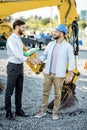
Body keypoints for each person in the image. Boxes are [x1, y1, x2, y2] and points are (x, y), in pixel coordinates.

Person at [33, 24, 75, 120]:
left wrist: (69, 75)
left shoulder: (68, 47)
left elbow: (72, 62)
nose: (53, 33)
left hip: (59, 75)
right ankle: (42, 110)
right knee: (45, 92)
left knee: (57, 94)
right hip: (48, 73)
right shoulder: (51, 44)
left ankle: (55, 112)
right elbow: (45, 55)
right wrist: (38, 60)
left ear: (62, 33)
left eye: (55, 32)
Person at [5, 19, 32, 120]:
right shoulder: (11, 39)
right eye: (23, 27)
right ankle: (8, 112)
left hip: (20, 66)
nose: (24, 29)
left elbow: (20, 53)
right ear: (17, 27)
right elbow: (16, 54)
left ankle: (18, 110)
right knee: (9, 91)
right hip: (13, 66)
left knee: (19, 90)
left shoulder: (19, 38)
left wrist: (28, 53)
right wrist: (29, 60)